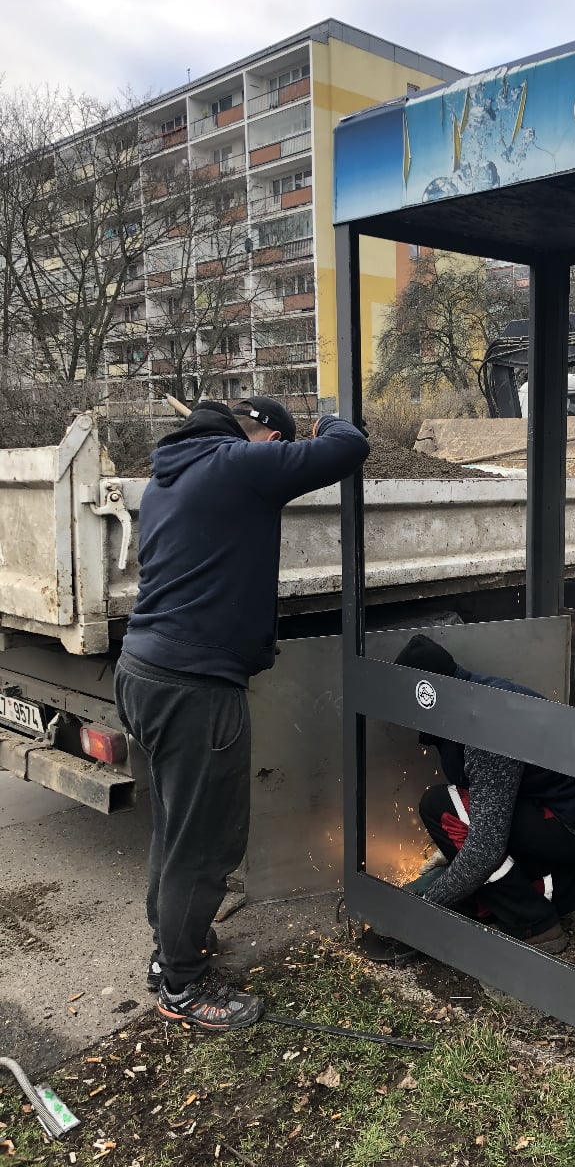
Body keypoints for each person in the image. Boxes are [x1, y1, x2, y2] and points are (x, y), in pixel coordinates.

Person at [115, 396, 369, 1031]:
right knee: (206, 843)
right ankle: (183, 987)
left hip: (144, 671)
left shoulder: (170, 470)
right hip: (194, 687)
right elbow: (349, 447)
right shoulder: (238, 463)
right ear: (267, 438)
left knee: (175, 829)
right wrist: (328, 420)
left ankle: (170, 953)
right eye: (279, 446)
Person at [359, 634, 575, 962]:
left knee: (438, 806)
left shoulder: (484, 730)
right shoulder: (475, 698)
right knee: (465, 846)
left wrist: (424, 912)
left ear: (427, 696)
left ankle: (534, 924)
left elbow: (485, 849)